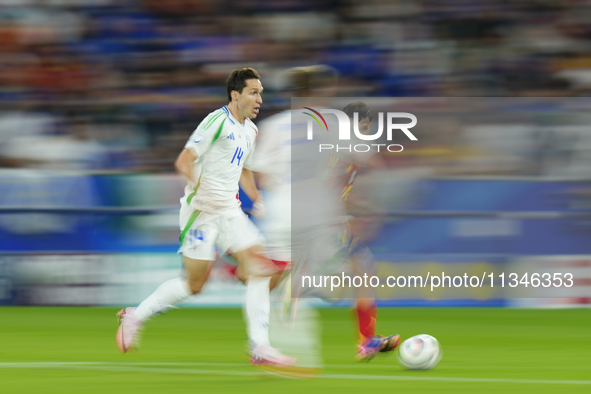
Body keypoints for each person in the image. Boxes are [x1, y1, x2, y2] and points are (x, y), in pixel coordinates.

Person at [115, 67, 296, 367]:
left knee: (262, 270)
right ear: (235, 95)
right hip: (201, 213)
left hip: (229, 211)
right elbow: (184, 161)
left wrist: (257, 195)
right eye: (253, 92)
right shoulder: (216, 121)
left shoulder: (250, 130)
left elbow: (245, 167)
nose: (259, 98)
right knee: (194, 285)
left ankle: (260, 347)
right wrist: (200, 187)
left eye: (261, 93)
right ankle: (135, 315)